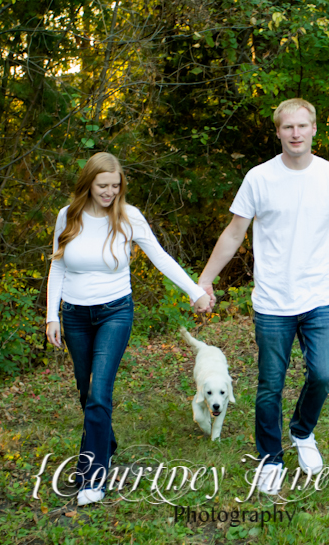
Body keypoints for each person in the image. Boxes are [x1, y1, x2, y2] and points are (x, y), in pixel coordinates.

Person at [197, 99, 329, 495]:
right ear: (278, 132)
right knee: (270, 384)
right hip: (272, 303)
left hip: (319, 297)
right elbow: (235, 232)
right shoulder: (259, 178)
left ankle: (302, 431)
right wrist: (205, 280)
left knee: (322, 374)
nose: (295, 133)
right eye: (288, 127)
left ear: (314, 128)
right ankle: (270, 458)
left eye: (302, 126)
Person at [45, 152, 213, 506]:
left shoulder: (128, 216)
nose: (109, 192)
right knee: (85, 393)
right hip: (74, 315)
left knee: (99, 393)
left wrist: (195, 291)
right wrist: (51, 316)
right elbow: (57, 266)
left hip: (115, 313)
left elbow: (160, 256)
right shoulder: (68, 215)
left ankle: (93, 475)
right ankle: (104, 443)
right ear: (88, 184)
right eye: (102, 186)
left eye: (115, 185)